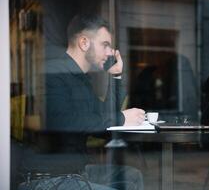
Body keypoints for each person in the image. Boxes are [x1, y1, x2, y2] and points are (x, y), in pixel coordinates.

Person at [43, 13, 145, 189]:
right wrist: (121, 118)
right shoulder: (54, 73)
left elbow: (102, 120)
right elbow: (65, 122)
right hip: (51, 177)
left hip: (75, 172)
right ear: (84, 43)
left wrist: (116, 77)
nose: (110, 52)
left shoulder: (81, 80)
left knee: (133, 176)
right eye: (105, 45)